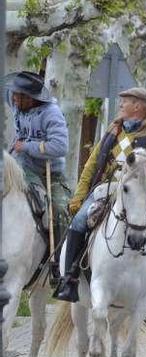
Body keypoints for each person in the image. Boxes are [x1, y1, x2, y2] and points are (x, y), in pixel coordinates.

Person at [55, 87, 146, 309]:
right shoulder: (113, 131)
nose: (121, 106)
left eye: (125, 102)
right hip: (108, 187)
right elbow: (91, 165)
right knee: (78, 222)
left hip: (143, 191)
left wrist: (140, 175)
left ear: (139, 106)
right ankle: (69, 279)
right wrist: (78, 197)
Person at [5, 71, 71, 274]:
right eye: (14, 94)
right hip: (20, 166)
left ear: (30, 98)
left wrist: (25, 147)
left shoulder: (51, 112)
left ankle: (59, 265)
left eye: (18, 95)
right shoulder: (18, 106)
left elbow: (60, 147)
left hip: (47, 172)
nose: (13, 98)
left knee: (60, 210)